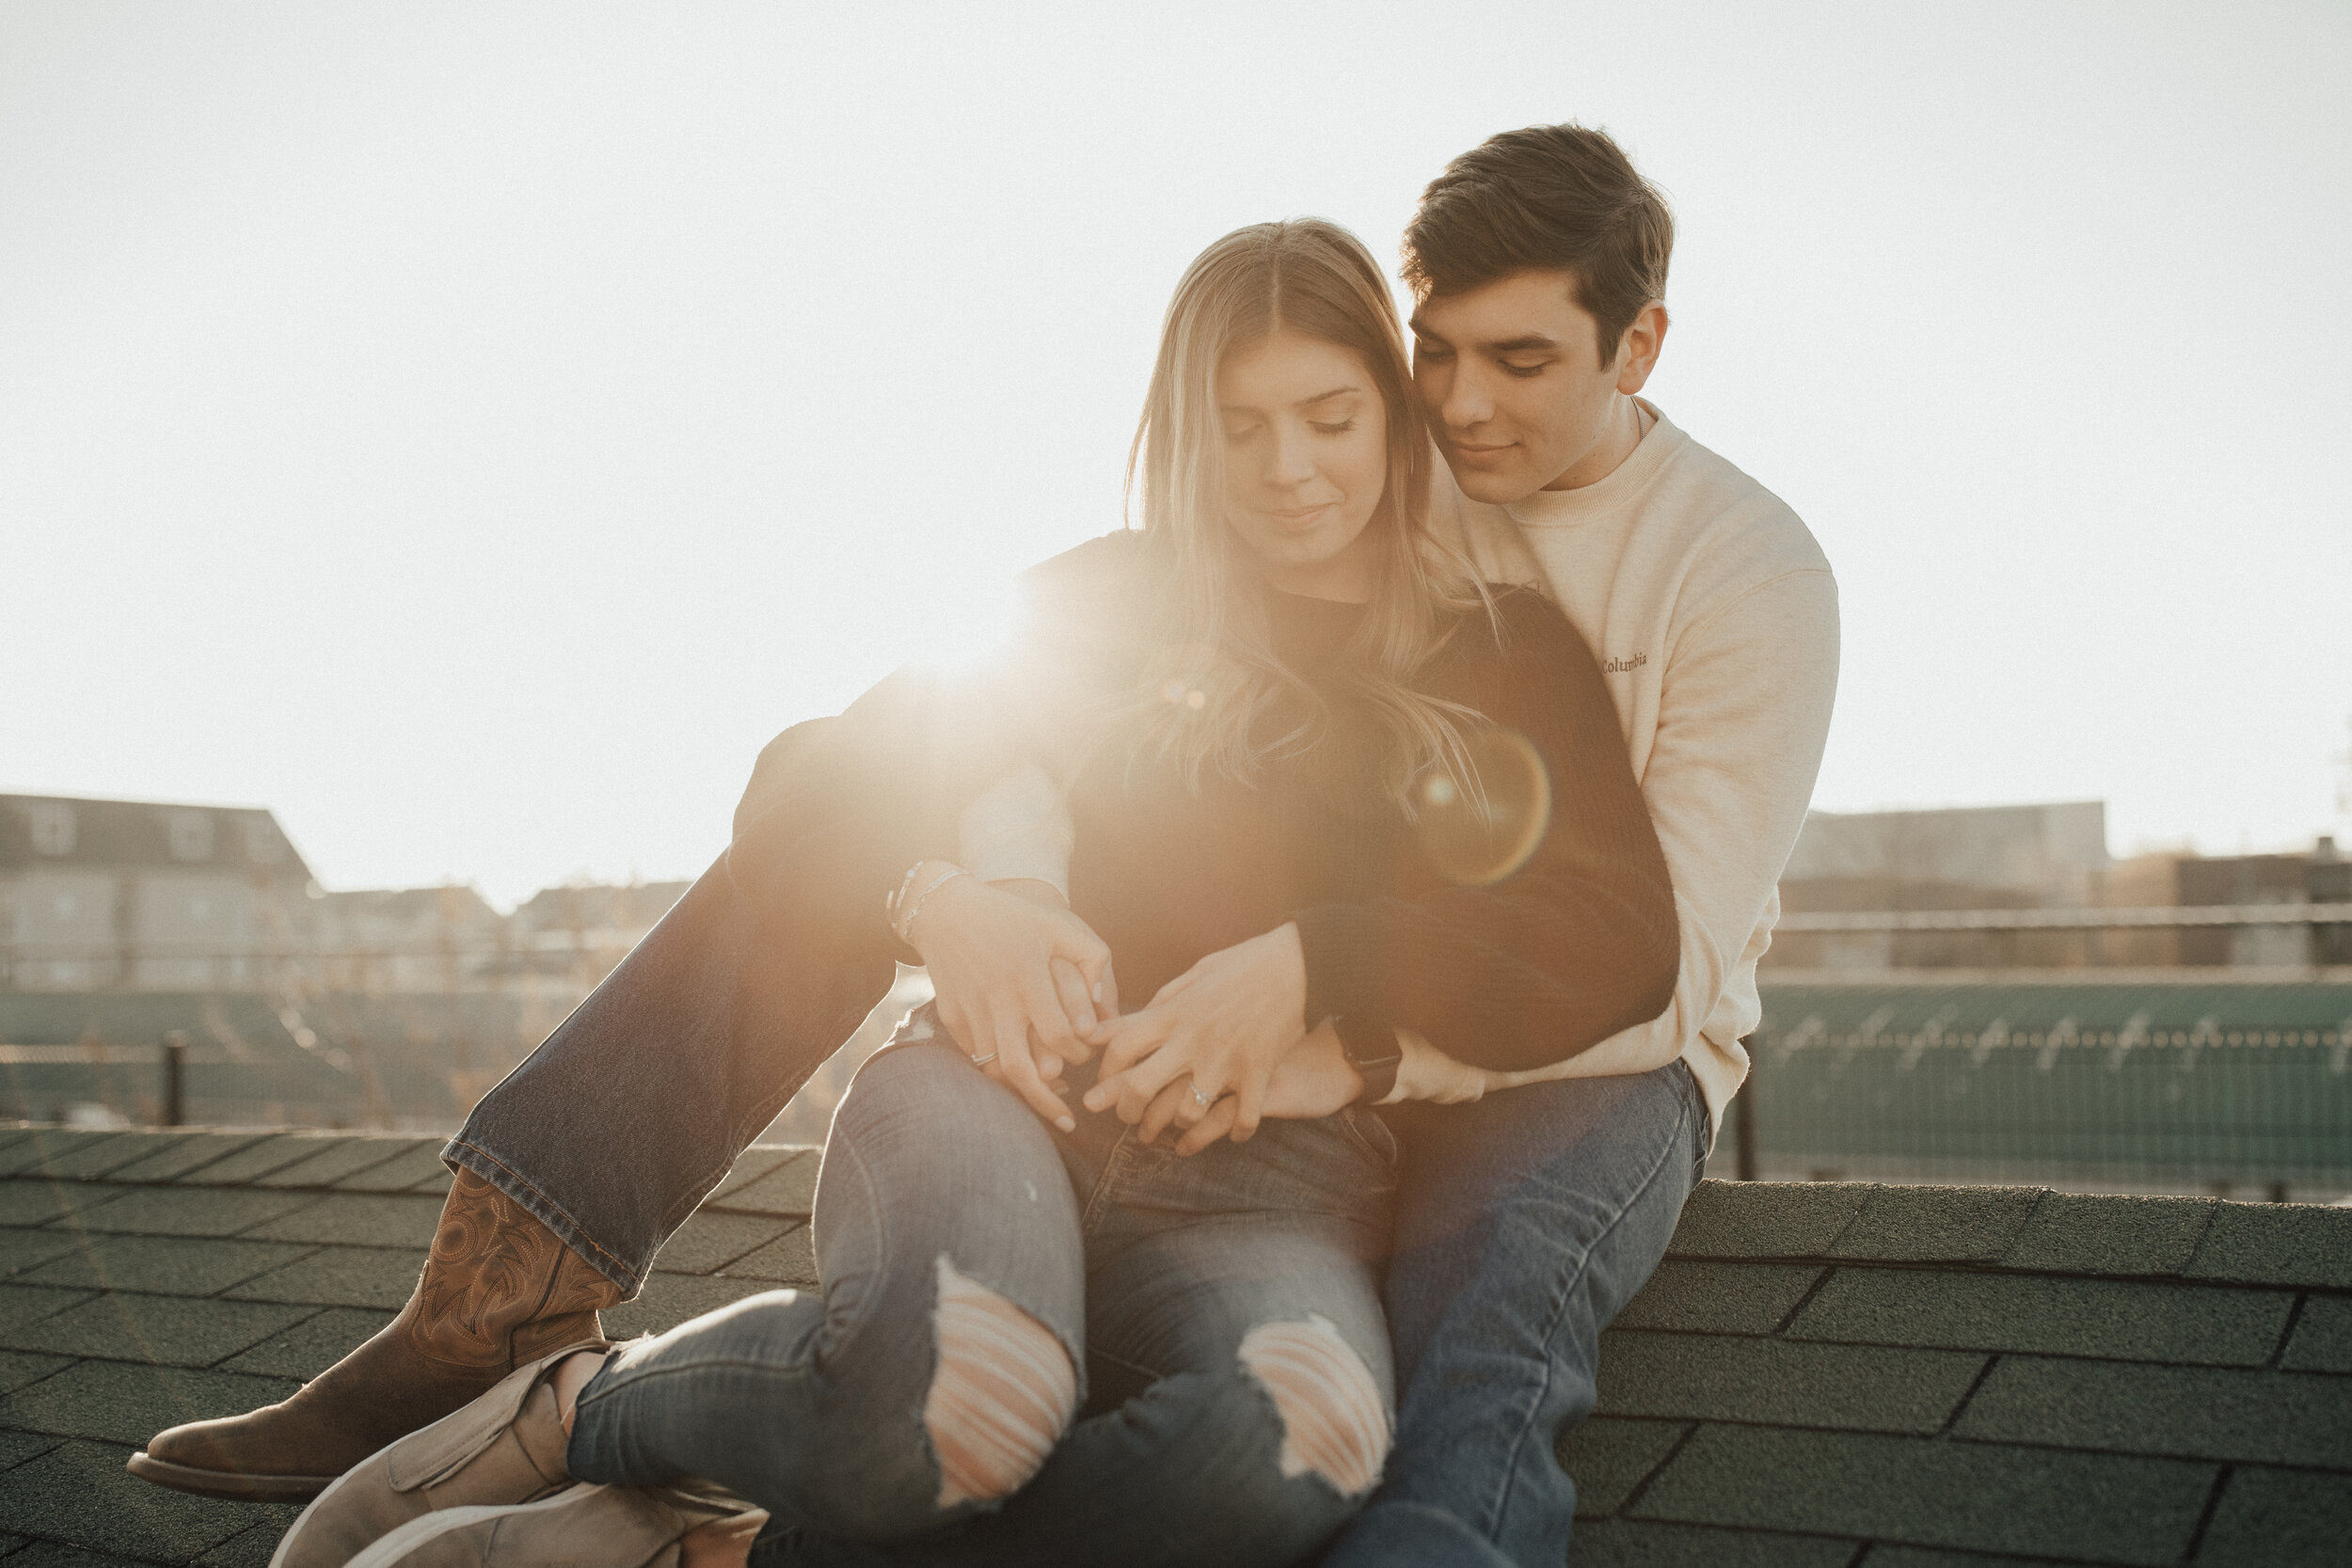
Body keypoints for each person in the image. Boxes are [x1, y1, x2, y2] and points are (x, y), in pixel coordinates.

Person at [139, 121, 1838, 1568]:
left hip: (1285, 1164)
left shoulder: (1516, 629)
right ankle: (559, 1387)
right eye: (1246, 426)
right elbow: (826, 768)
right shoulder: (1116, 592)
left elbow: (1624, 936)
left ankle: (725, 1532)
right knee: (973, 1391)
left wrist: (1326, 987)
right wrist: (958, 894)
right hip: (1003, 1097)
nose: (1300, 465)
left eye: (1333, 414)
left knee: (1304, 1446)